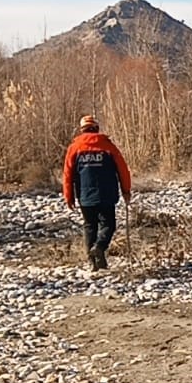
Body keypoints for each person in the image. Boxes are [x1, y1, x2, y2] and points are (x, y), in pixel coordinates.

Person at [62, 115, 132, 271]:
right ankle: (99, 247)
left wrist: (69, 197)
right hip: (107, 194)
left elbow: (67, 174)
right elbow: (123, 170)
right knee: (108, 225)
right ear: (96, 128)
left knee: (89, 226)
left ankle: (94, 263)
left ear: (82, 130)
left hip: (85, 196)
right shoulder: (108, 146)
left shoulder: (75, 148)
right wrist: (126, 191)